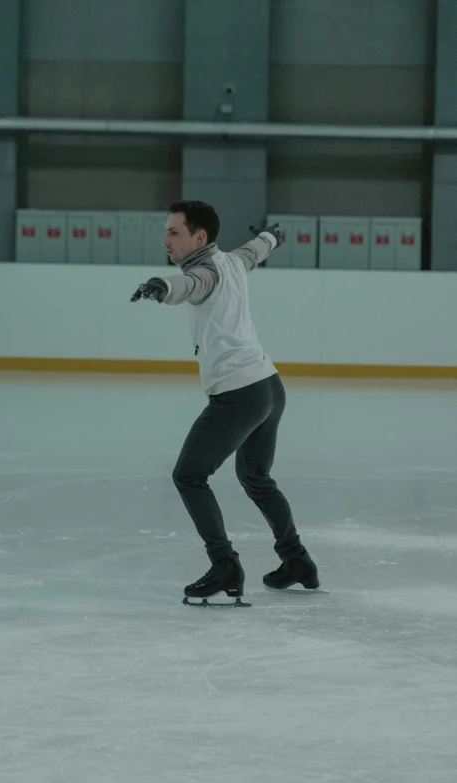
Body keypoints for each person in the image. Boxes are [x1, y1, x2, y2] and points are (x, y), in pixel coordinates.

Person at [130, 200, 319, 606]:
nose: (165, 240)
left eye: (174, 233)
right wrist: (272, 236)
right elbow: (257, 250)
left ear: (199, 238)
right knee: (255, 476)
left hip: (240, 394)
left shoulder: (207, 271)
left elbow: (190, 285)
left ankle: (225, 565)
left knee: (189, 476)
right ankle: (297, 560)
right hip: (269, 385)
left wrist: (162, 287)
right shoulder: (233, 261)